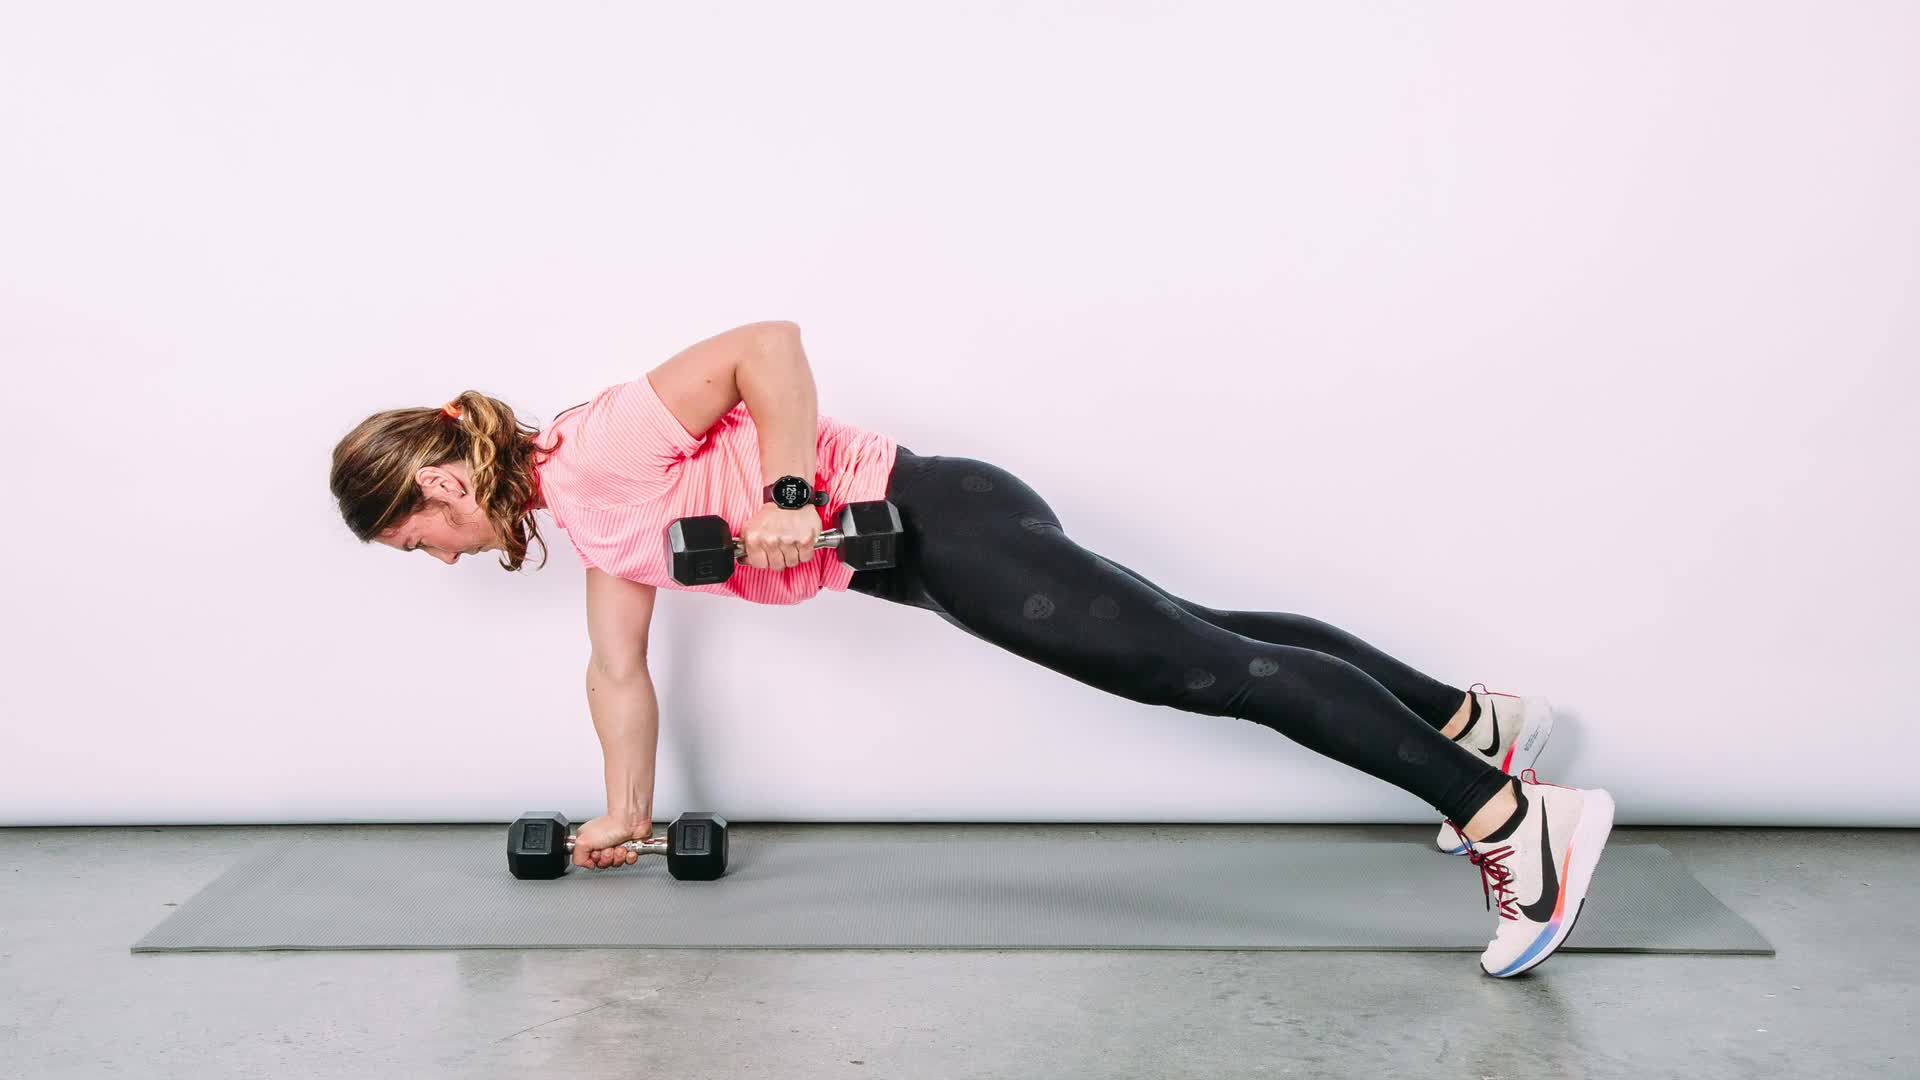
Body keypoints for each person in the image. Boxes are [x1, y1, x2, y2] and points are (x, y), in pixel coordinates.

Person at [329, 320, 1614, 978]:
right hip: (933, 550)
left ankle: (1514, 823)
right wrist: (623, 818)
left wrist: (785, 498)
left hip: (943, 518)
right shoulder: (589, 518)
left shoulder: (595, 445)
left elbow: (762, 343)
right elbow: (618, 669)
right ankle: (1470, 724)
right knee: (1206, 638)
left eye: (414, 539)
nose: (437, 560)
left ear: (443, 479)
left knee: (1203, 672)